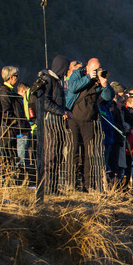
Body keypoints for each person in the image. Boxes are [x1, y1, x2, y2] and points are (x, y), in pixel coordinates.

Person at [65, 58, 113, 191]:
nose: (97, 72)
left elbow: (109, 97)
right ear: (87, 67)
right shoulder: (78, 74)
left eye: (99, 69)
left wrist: (105, 85)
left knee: (89, 154)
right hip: (74, 118)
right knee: (73, 151)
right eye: (95, 70)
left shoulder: (99, 79)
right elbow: (73, 88)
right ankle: (72, 183)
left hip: (90, 120)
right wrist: (88, 77)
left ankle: (88, 185)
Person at [36, 54, 73, 194]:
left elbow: (58, 103)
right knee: (50, 156)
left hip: (57, 124)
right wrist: (61, 112)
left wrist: (66, 110)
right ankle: (46, 188)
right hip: (49, 123)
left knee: (56, 156)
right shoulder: (48, 81)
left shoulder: (57, 82)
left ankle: (53, 188)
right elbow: (45, 102)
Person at [0, 66, 26, 181]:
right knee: (8, 157)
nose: (17, 78)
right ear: (10, 77)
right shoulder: (4, 92)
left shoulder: (9, 91)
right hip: (7, 129)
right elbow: (5, 112)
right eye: (15, 76)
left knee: (12, 156)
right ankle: (7, 181)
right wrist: (16, 122)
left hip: (10, 129)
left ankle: (11, 180)